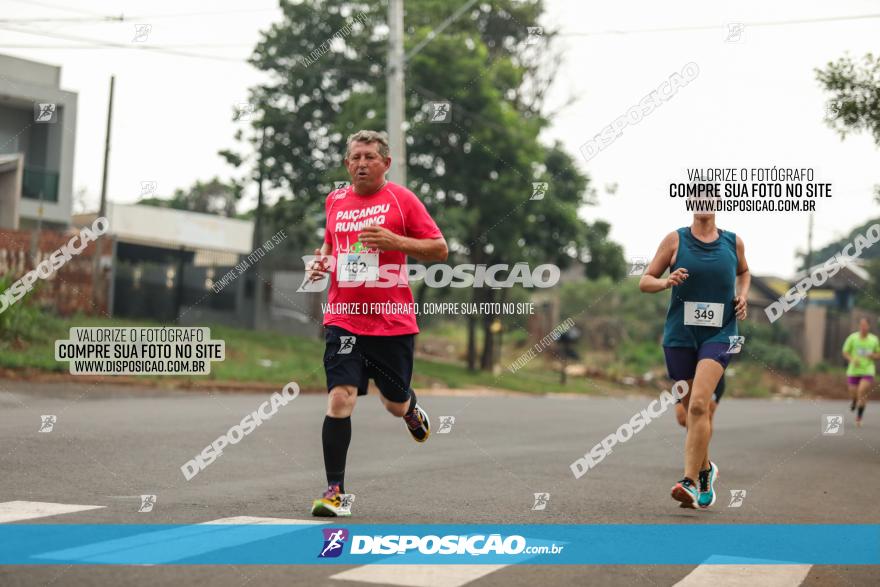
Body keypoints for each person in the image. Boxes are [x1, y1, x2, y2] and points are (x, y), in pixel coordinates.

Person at [307, 130, 448, 517]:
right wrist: (322, 261)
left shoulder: (402, 201)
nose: (362, 163)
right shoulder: (335, 200)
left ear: (386, 162)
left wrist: (395, 242)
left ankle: (411, 410)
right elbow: (331, 244)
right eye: (355, 157)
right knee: (340, 397)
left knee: (393, 402)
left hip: (391, 323)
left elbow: (439, 249)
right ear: (346, 164)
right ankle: (334, 491)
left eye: (370, 156)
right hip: (344, 318)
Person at [640, 203, 750, 509]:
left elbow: (744, 272)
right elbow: (645, 280)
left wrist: (743, 295)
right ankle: (706, 470)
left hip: (722, 333)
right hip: (680, 335)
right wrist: (665, 281)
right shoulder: (675, 240)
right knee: (689, 413)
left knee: (701, 404)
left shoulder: (733, 242)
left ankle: (688, 480)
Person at [842, 317, 880, 428]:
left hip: (868, 370)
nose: (863, 327)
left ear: (869, 326)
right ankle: (854, 401)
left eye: (865, 325)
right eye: (861, 325)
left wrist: (873, 355)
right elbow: (845, 352)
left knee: (862, 392)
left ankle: (859, 417)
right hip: (853, 370)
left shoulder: (874, 340)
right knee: (854, 393)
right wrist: (852, 359)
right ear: (859, 326)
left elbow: (878, 354)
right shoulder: (852, 338)